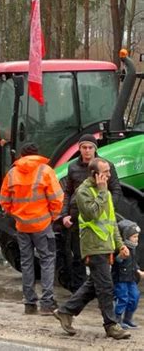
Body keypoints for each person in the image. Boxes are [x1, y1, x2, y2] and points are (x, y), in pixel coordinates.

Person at [53, 158, 131, 340]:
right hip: (93, 246)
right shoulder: (83, 192)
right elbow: (93, 213)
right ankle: (111, 325)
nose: (109, 175)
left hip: (106, 245)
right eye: (106, 172)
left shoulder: (106, 193)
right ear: (95, 175)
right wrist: (103, 192)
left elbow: (111, 222)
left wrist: (120, 245)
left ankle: (66, 311)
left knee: (94, 285)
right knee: (105, 286)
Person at [0, 142, 63, 315]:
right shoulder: (45, 171)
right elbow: (57, 198)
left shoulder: (12, 173)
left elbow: (4, 201)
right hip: (42, 225)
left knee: (27, 263)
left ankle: (29, 303)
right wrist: (53, 216)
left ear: (21, 155)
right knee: (47, 261)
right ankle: (47, 303)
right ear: (37, 153)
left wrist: (17, 214)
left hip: (22, 226)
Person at [61, 134, 122, 292]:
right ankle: (78, 292)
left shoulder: (106, 166)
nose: (87, 151)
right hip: (77, 218)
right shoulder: (73, 167)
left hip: (100, 219)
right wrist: (64, 214)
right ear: (79, 149)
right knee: (78, 257)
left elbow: (116, 190)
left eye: (90, 147)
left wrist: (108, 210)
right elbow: (68, 192)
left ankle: (106, 289)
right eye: (84, 148)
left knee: (102, 257)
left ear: (95, 148)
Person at [112, 219, 143, 329]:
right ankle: (117, 319)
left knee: (134, 297)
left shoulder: (133, 248)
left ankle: (128, 318)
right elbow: (116, 262)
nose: (136, 239)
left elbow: (134, 263)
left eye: (137, 236)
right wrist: (120, 257)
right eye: (134, 236)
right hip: (121, 279)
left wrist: (138, 270)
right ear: (126, 236)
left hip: (131, 279)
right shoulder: (121, 248)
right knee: (122, 298)